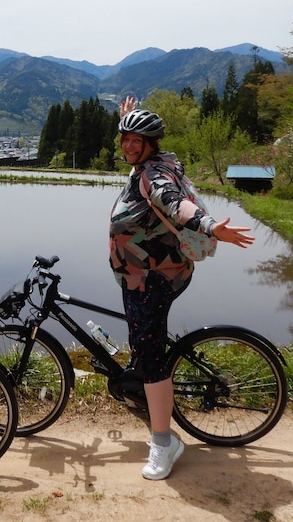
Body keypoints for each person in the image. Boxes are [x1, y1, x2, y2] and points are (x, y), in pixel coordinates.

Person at [109, 95, 254, 481]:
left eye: (137, 140)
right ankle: (151, 392)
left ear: (152, 144)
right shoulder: (159, 161)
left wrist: (209, 226)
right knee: (147, 348)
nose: (128, 145)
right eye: (125, 138)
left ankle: (163, 443)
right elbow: (147, 161)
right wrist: (130, 121)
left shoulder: (154, 174)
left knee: (153, 359)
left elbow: (174, 204)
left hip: (152, 279)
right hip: (152, 273)